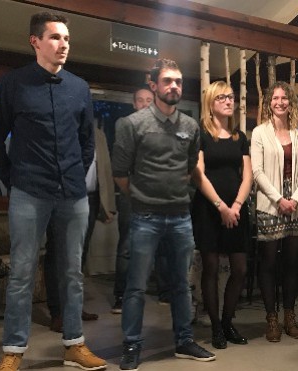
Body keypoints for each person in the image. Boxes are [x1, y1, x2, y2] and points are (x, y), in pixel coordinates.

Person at [0, 12, 106, 371]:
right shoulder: (12, 84)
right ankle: (13, 351)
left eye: (67, 38)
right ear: (35, 41)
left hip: (72, 193)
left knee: (72, 273)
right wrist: (13, 180)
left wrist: (74, 174)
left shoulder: (79, 87)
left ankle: (74, 345)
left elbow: (86, 142)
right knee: (22, 273)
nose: (63, 44)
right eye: (55, 37)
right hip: (28, 192)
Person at [111, 58, 215, 370]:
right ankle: (131, 345)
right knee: (137, 286)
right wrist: (142, 199)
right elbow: (120, 173)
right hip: (145, 218)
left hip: (181, 217)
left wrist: (176, 196)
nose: (174, 87)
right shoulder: (132, 124)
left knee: (182, 285)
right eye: (167, 81)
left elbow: (189, 169)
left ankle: (184, 340)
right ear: (153, 85)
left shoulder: (190, 126)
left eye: (178, 82)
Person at [190, 81, 252, 349]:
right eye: (223, 98)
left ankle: (227, 321)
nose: (229, 101)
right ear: (211, 103)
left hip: (236, 210)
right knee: (212, 268)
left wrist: (236, 205)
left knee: (240, 268)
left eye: (231, 97)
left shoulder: (240, 137)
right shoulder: (202, 134)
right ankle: (215, 326)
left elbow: (247, 175)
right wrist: (221, 207)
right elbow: (198, 173)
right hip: (209, 209)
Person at [251, 81, 298, 342]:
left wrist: (295, 199)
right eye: (275, 98)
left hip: (297, 208)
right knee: (269, 264)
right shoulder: (259, 133)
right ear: (269, 102)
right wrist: (279, 200)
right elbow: (257, 172)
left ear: (290, 103)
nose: (280, 102)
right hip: (270, 205)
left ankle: (289, 317)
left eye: (284, 98)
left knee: (291, 264)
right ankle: (271, 319)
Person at [45, 118, 115, 332]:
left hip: (91, 197)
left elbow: (104, 168)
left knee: (80, 255)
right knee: (56, 254)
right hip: (61, 196)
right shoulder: (59, 126)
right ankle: (57, 313)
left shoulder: (98, 134)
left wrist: (107, 204)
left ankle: (74, 307)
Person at [111, 87, 165, 314]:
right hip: (131, 194)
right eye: (140, 100)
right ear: (134, 104)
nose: (144, 104)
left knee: (162, 245)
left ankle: (165, 292)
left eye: (149, 101)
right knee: (127, 247)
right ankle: (121, 296)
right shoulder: (126, 125)